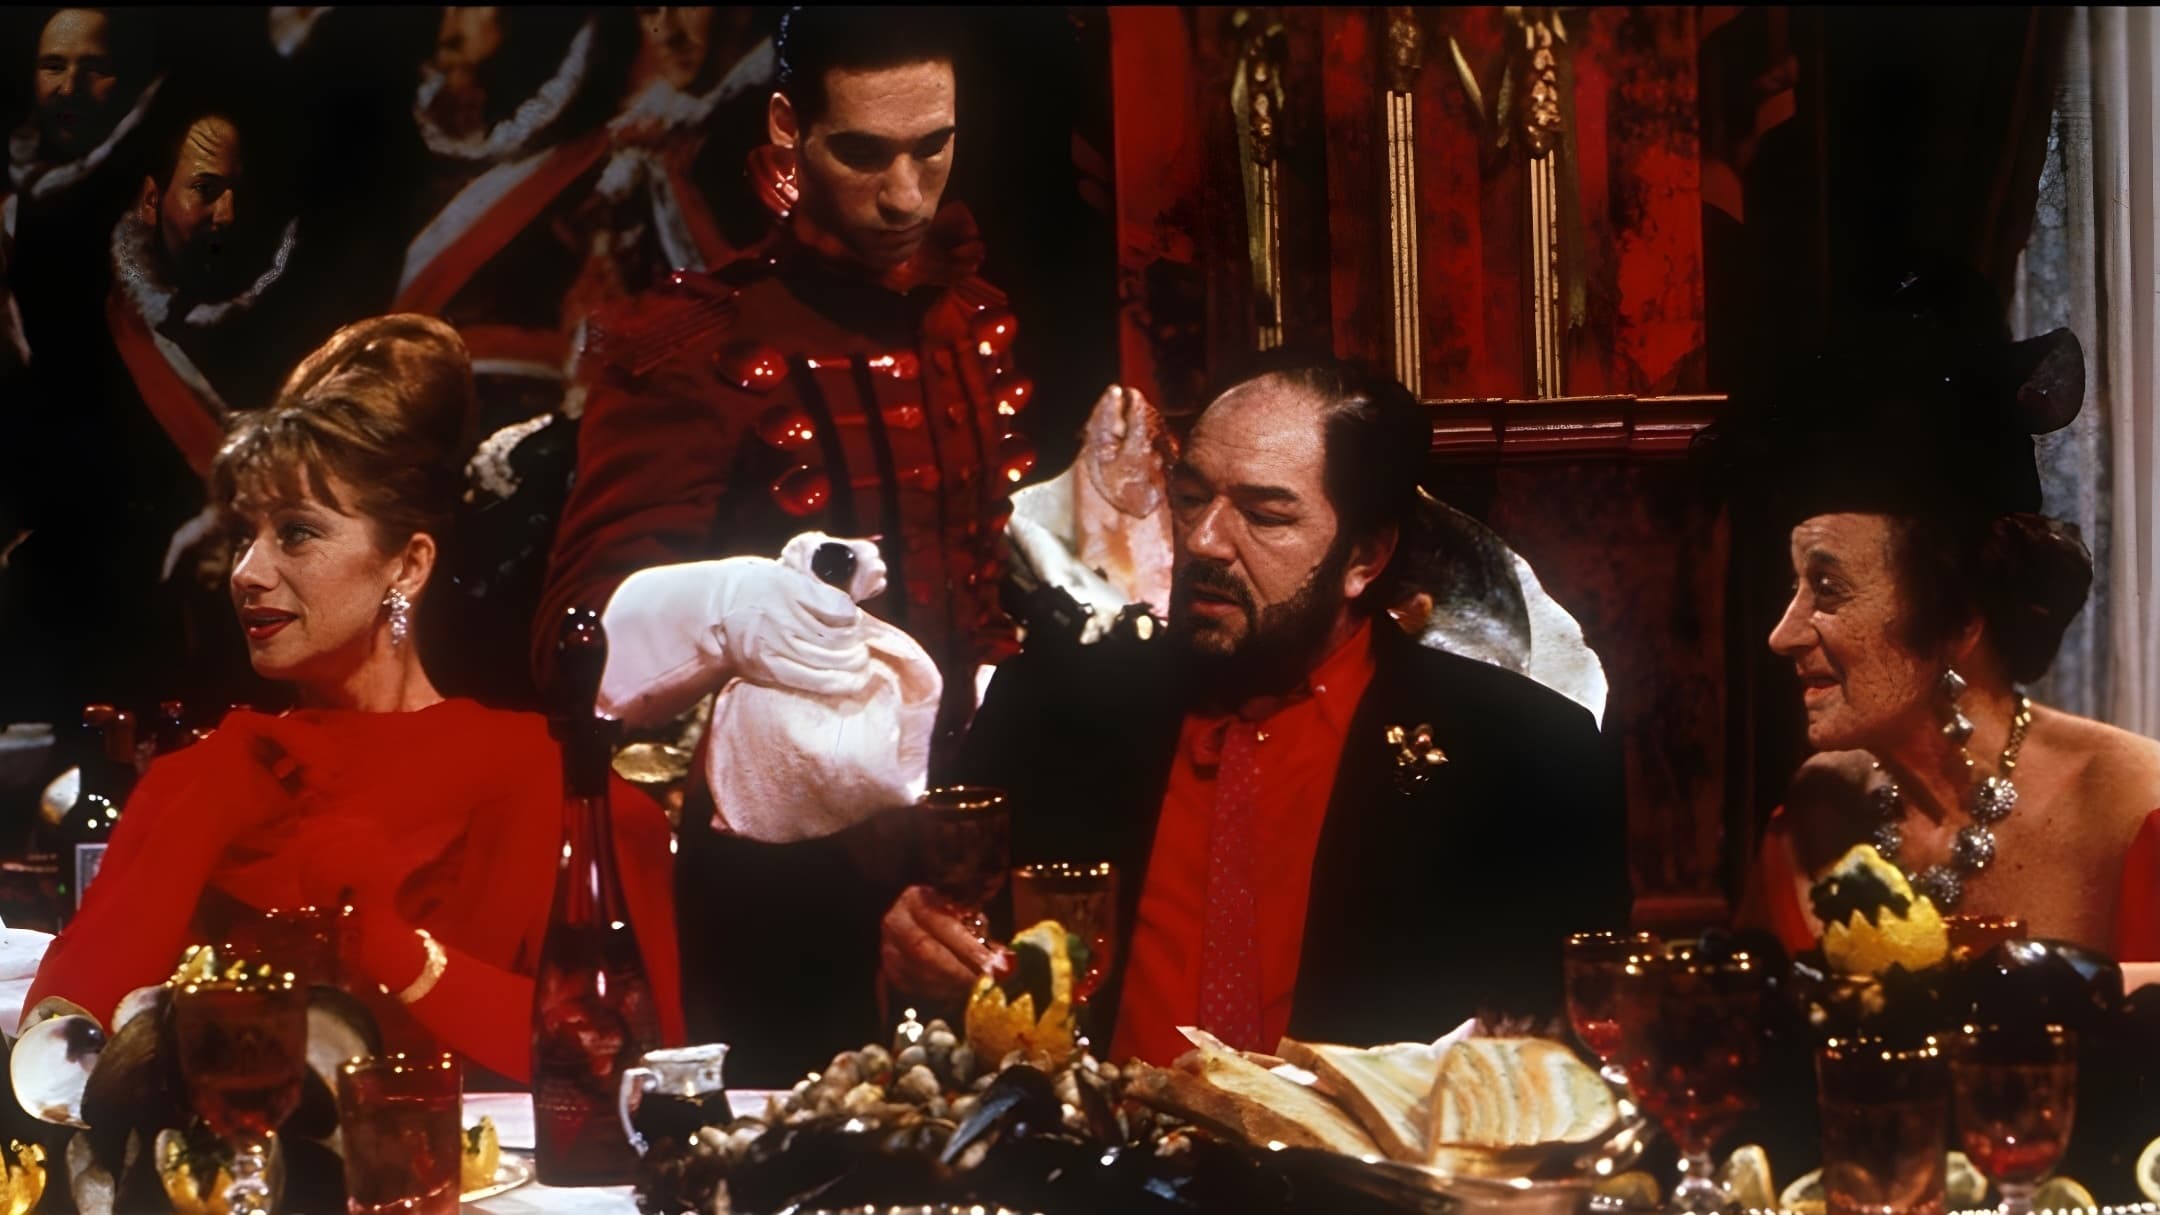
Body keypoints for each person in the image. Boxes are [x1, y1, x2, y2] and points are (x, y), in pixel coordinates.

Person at [537, 6, 1045, 1084]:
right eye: (863, 152)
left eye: (933, 147)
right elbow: (571, 646)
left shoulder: (965, 312)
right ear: (786, 128)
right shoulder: (694, 348)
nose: (906, 195)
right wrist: (729, 607)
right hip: (780, 907)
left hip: (969, 873)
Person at [880, 356, 1630, 1063]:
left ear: (1364, 558)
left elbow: (1562, 1057)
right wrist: (917, 958)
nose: (1206, 540)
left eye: (1265, 516)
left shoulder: (1527, 755)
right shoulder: (1051, 709)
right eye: (1191, 499)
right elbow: (940, 980)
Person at [22, 315, 686, 1082]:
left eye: (297, 533)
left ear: (408, 565)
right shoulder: (201, 780)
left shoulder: (544, 776)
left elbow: (627, 1062)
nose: (247, 572)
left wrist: (393, 948)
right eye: (244, 535)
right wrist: (192, 826)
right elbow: (55, 1069)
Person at [1731, 264, 2160, 962]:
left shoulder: (2134, 809)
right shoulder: (1815, 813)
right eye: (1793, 587)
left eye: (1828, 589)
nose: (1782, 635)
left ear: (1959, 616)